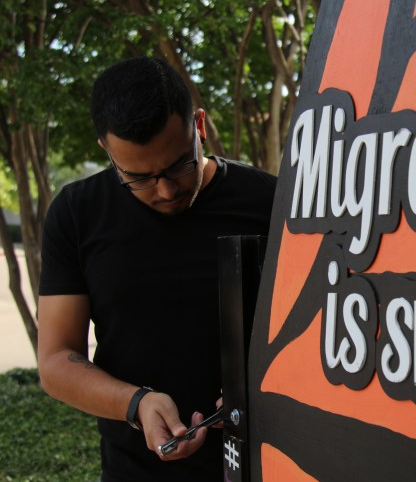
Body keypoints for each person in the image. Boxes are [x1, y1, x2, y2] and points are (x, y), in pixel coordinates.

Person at [37, 56, 276, 481]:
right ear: (106, 152)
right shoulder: (77, 213)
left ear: (199, 126)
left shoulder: (269, 201)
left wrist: (265, 386)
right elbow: (56, 361)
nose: (165, 190)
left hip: (263, 463)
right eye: (139, 177)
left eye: (179, 164)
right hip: (135, 469)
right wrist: (136, 403)